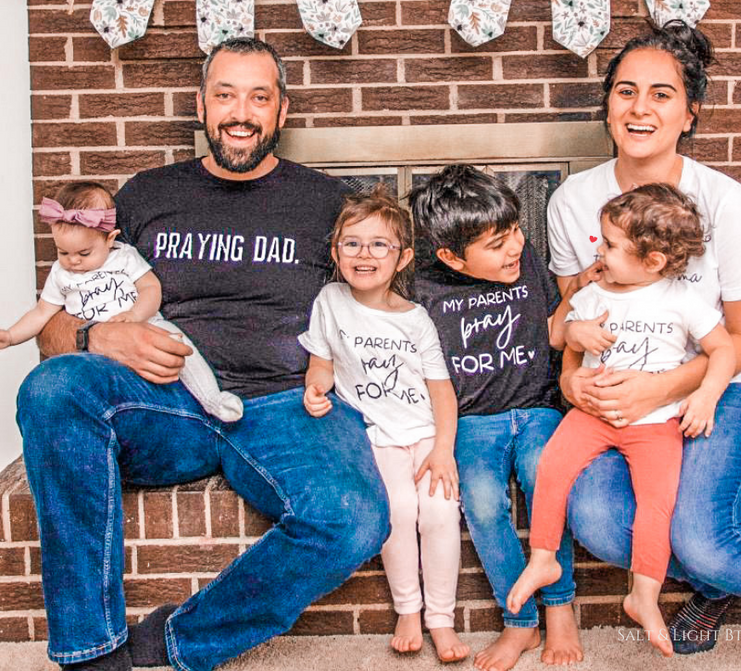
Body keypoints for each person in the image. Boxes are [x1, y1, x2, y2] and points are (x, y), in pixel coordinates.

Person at [16, 37, 390, 671]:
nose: (240, 112)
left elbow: (381, 300)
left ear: (282, 111)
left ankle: (173, 641)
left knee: (352, 519)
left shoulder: (329, 203)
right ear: (201, 104)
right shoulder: (141, 197)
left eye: (258, 97)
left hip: (286, 405)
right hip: (168, 401)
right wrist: (98, 337)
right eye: (225, 94)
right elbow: (51, 334)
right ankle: (90, 653)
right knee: (51, 390)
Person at [547, 20, 741, 654]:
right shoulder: (575, 201)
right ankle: (720, 577)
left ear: (690, 113)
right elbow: (580, 317)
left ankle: (718, 568)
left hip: (728, 388)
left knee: (703, 541)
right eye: (626, 90)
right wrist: (572, 382)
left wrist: (661, 385)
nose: (639, 107)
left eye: (662, 94)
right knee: (596, 520)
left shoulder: (722, 199)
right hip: (625, 406)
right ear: (607, 104)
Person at [507, 183, 736, 657]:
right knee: (552, 467)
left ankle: (644, 594)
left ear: (652, 261)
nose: (599, 250)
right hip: (592, 414)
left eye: (610, 245)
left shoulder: (680, 300)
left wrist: (707, 395)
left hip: (655, 424)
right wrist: (575, 328)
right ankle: (544, 558)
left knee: (657, 503)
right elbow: (556, 337)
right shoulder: (594, 291)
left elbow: (724, 349)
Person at [410, 165, 584, 670]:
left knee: (545, 477)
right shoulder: (423, 287)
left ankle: (560, 608)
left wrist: (583, 289)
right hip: (474, 420)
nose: (513, 249)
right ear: (450, 257)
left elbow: (552, 328)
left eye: (513, 233)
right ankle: (520, 621)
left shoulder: (525, 259)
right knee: (482, 501)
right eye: (495, 244)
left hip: (537, 406)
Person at [298, 186, 469, 662]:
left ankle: (441, 618)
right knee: (397, 511)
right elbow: (322, 361)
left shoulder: (415, 320)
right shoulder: (330, 301)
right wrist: (317, 388)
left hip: (425, 436)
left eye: (379, 245)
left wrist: (443, 449)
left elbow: (441, 391)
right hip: (375, 437)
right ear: (336, 252)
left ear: (403, 257)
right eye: (352, 243)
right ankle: (408, 610)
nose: (364, 254)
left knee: (438, 513)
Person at [1, 182, 243, 423]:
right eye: (63, 252)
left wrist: (136, 315)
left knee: (178, 347)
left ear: (110, 239)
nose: (72, 261)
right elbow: (43, 312)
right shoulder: (61, 274)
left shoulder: (123, 257)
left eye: (84, 253)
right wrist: (11, 336)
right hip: (96, 350)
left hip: (146, 326)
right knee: (67, 378)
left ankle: (212, 399)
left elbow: (151, 287)